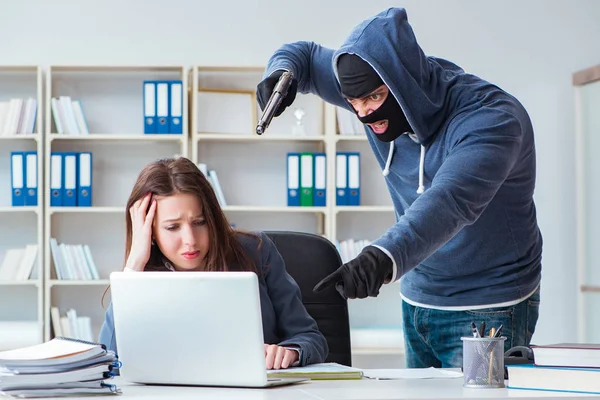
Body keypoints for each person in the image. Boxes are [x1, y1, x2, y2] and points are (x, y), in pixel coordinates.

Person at [257, 7, 542, 368]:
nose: (363, 114)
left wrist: (382, 257)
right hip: (417, 300)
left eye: (374, 98)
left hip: (489, 306)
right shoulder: (363, 82)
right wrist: (281, 73)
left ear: (403, 82)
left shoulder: (493, 120)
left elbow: (449, 201)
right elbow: (306, 55)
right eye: (353, 102)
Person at [98, 157, 328, 369]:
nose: (190, 240)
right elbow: (109, 357)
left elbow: (311, 338)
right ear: (151, 232)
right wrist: (134, 266)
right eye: (172, 227)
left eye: (199, 222)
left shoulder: (257, 251)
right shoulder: (139, 277)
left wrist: (291, 352)